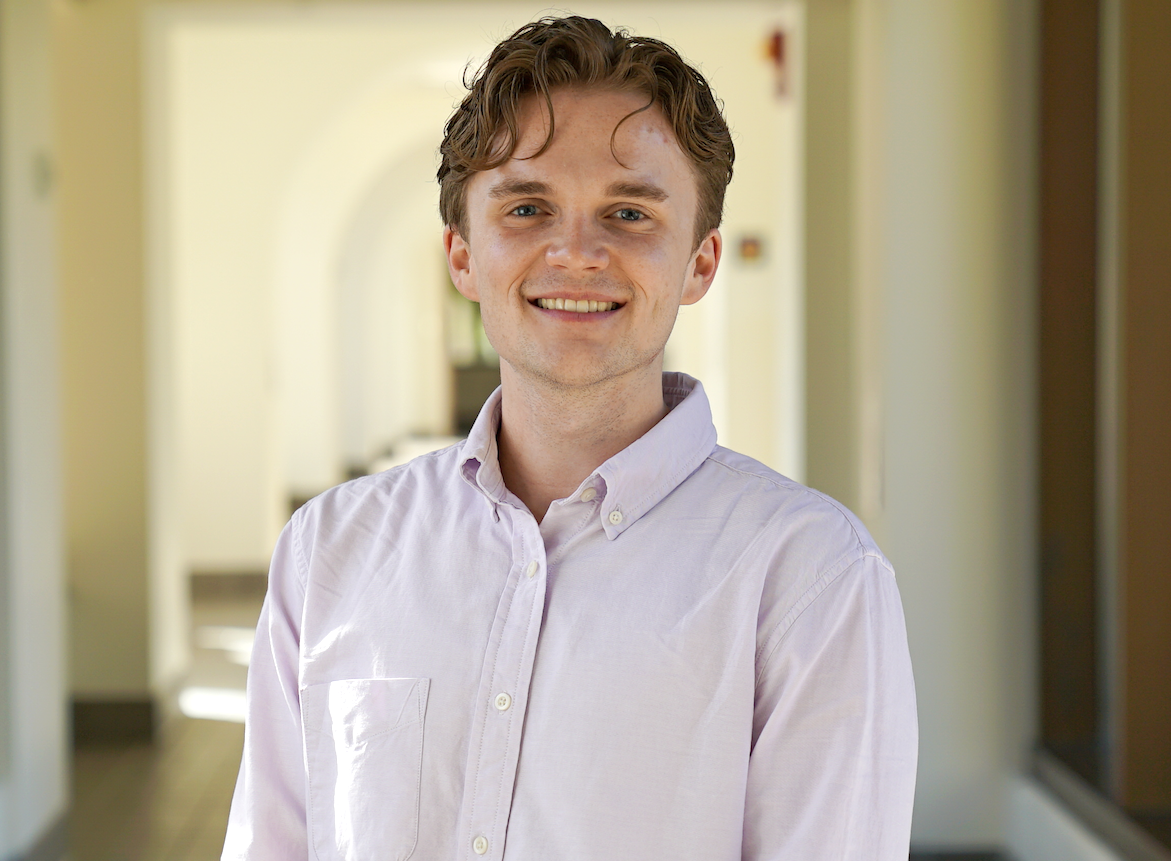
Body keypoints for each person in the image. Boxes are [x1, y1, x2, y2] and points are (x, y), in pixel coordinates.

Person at [222, 15, 917, 861]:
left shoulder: (810, 578)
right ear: (463, 255)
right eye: (526, 206)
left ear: (699, 262)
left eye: (627, 212)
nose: (576, 251)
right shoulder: (329, 552)